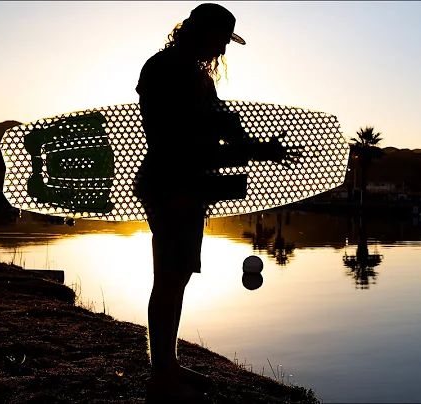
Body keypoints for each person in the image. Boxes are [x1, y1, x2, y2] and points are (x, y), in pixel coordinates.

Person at [134, 3, 294, 401]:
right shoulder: (164, 69)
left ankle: (167, 364)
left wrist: (260, 149)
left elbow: (224, 128)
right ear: (199, 32)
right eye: (221, 40)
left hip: (192, 187)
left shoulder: (199, 77)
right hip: (170, 185)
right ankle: (161, 377)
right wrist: (250, 149)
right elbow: (179, 138)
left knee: (181, 275)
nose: (223, 50)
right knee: (169, 278)